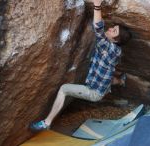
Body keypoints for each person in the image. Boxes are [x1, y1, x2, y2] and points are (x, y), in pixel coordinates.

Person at [30, 0, 131, 132]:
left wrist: (97, 4)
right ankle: (121, 81)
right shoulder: (117, 51)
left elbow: (98, 27)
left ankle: (46, 122)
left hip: (94, 92)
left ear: (115, 40)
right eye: (114, 27)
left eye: (114, 31)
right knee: (109, 76)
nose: (111, 28)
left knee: (64, 89)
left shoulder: (107, 46)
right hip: (103, 85)